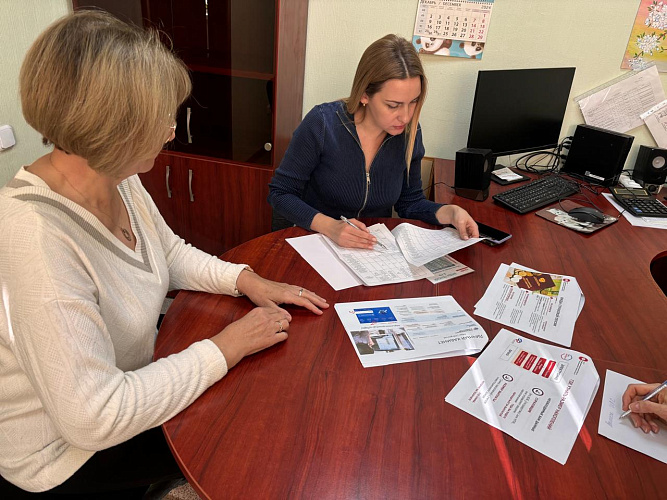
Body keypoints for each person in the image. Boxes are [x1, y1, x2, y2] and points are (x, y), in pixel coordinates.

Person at [0, 11, 328, 498]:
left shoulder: (115, 176)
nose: (172, 131)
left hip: (132, 380)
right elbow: (95, 418)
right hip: (65, 456)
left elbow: (166, 253)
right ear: (113, 129)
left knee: (258, 389)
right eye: (162, 118)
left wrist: (246, 280)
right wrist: (227, 345)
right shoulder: (34, 239)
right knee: (248, 434)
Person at [268, 34, 478, 249]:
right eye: (393, 105)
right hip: (317, 241)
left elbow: (410, 202)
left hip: (372, 249)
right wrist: (331, 227)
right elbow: (281, 193)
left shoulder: (410, 133)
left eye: (413, 102)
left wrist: (451, 212)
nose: (406, 117)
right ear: (364, 95)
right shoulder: (322, 124)